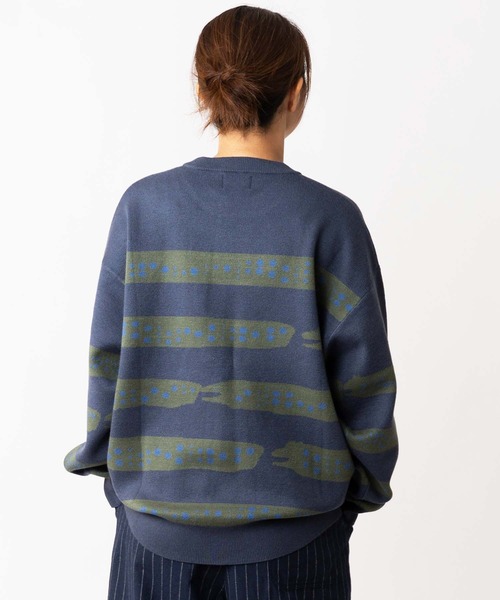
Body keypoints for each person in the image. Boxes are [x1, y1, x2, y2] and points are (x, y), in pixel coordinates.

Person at [63, 5, 398, 599]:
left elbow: (107, 361)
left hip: (152, 541)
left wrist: (115, 476)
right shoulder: (330, 220)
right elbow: (364, 380)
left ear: (202, 90)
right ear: (296, 92)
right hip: (297, 547)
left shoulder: (143, 209)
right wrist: (359, 492)